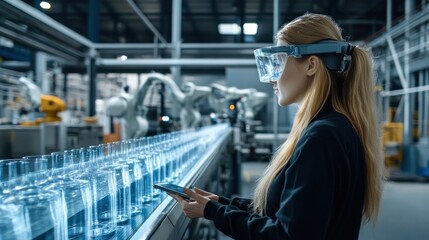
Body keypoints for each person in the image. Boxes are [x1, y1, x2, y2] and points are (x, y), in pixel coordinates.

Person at [169, 13, 384, 239]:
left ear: (311, 65)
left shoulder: (321, 137)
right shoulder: (335, 127)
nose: (272, 79)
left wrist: (215, 213)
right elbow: (287, 211)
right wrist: (220, 203)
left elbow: (287, 235)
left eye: (278, 63)